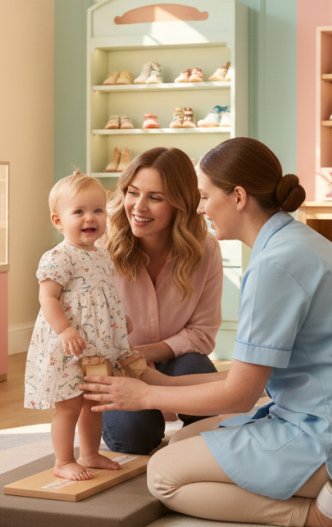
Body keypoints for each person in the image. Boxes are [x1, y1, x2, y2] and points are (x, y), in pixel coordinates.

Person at [80, 138, 332, 527]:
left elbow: (240, 395)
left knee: (163, 474)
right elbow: (249, 377)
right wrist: (156, 380)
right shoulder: (297, 242)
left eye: (205, 196)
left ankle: (320, 516)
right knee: (183, 442)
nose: (201, 207)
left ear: (238, 196)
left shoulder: (276, 263)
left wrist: (147, 394)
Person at [25, 170, 164, 481]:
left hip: (98, 348)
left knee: (94, 404)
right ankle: (63, 461)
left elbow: (105, 295)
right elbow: (47, 298)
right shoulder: (59, 257)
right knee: (70, 406)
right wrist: (64, 330)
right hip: (70, 349)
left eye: (97, 210)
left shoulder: (101, 256)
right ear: (58, 221)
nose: (90, 218)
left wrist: (118, 320)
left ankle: (89, 453)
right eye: (79, 212)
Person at [102, 147, 224, 455]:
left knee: (197, 369)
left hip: (173, 362)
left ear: (180, 204)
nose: (138, 206)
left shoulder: (205, 250)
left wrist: (143, 354)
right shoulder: (99, 247)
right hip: (116, 366)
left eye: (155, 197)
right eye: (133, 192)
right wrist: (127, 362)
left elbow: (202, 333)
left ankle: (190, 434)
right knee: (135, 437)